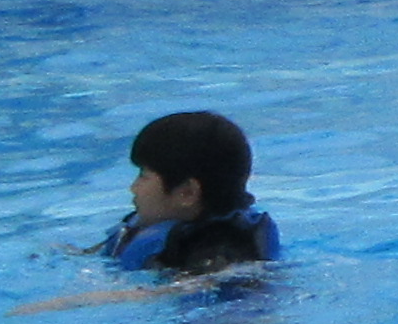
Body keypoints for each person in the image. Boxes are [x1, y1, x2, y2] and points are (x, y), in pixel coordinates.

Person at [103, 109, 278, 280]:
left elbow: (200, 286)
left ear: (187, 193)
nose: (133, 188)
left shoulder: (218, 250)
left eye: (143, 176)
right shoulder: (153, 226)